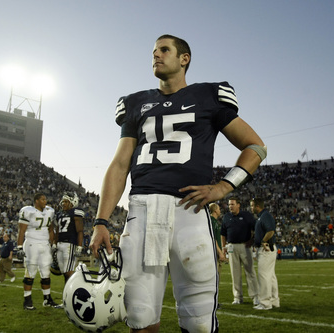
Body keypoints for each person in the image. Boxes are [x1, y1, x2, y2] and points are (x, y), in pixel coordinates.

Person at [89, 34, 266, 333]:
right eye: (154, 51)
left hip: (190, 212)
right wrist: (101, 220)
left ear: (184, 59)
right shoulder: (136, 103)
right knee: (140, 318)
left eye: (164, 50)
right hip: (142, 211)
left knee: (198, 322)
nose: (156, 55)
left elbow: (255, 147)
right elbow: (120, 164)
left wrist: (223, 187)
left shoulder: (209, 96)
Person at [17, 192, 60, 310]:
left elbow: (51, 229)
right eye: (42, 199)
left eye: (45, 199)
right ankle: (27, 301)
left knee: (46, 272)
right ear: (36, 201)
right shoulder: (28, 211)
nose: (45, 202)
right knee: (30, 272)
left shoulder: (49, 211)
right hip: (32, 243)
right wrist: (19, 246)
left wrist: (54, 244)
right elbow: (21, 230)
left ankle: (47, 299)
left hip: (45, 244)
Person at [220, 196, 259, 306]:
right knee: (234, 273)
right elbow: (223, 233)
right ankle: (237, 297)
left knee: (250, 272)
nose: (230, 206)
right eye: (229, 204)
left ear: (238, 205)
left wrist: (252, 240)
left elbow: (255, 229)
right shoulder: (226, 217)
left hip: (245, 246)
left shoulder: (247, 215)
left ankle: (255, 296)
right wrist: (224, 248)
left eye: (232, 204)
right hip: (231, 246)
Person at [53, 192, 84, 307]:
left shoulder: (76, 212)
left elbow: (80, 231)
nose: (63, 203)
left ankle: (75, 298)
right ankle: (67, 300)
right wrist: (54, 244)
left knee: (69, 273)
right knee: (65, 273)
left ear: (72, 202)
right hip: (60, 244)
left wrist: (79, 246)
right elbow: (57, 230)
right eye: (63, 201)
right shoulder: (60, 214)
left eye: (66, 201)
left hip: (70, 245)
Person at [250, 197, 279, 310]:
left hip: (266, 249)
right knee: (270, 276)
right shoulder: (262, 216)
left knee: (264, 276)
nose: (251, 208)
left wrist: (263, 241)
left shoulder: (265, 215)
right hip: (268, 249)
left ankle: (265, 303)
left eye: (252, 205)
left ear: (257, 206)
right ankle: (274, 301)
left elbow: (271, 230)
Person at [209, 203, 226, 309]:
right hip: (214, 254)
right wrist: (220, 252)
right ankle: (213, 302)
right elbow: (213, 239)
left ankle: (215, 301)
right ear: (215, 210)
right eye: (219, 209)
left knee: (216, 279)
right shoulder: (211, 221)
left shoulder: (215, 221)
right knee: (214, 279)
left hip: (216, 253)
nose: (220, 210)